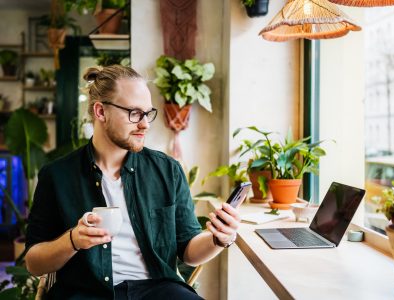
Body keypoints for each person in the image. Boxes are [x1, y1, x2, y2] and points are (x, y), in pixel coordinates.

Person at [25, 65, 241, 300]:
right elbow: (34, 263)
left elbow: (188, 251)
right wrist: (73, 240)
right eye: (134, 113)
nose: (145, 124)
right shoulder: (57, 176)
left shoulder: (167, 171)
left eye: (147, 113)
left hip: (158, 289)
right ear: (100, 112)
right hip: (85, 292)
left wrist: (219, 238)